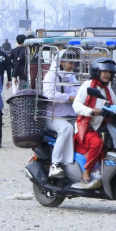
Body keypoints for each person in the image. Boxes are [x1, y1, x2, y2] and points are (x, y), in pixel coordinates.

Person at [71, 58, 116, 189]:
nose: (107, 74)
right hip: (86, 127)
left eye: (109, 72)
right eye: (104, 71)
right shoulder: (88, 85)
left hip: (103, 126)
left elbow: (115, 103)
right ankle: (86, 173)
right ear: (97, 71)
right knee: (97, 143)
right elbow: (76, 104)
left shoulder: (107, 87)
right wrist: (90, 111)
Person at [42, 50, 79, 178]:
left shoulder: (71, 75)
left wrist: (73, 97)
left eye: (73, 63)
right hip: (53, 116)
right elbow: (51, 95)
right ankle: (55, 164)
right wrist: (69, 97)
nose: (72, 66)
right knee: (66, 129)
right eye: (70, 63)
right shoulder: (50, 76)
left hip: (70, 115)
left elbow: (78, 91)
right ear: (61, 62)